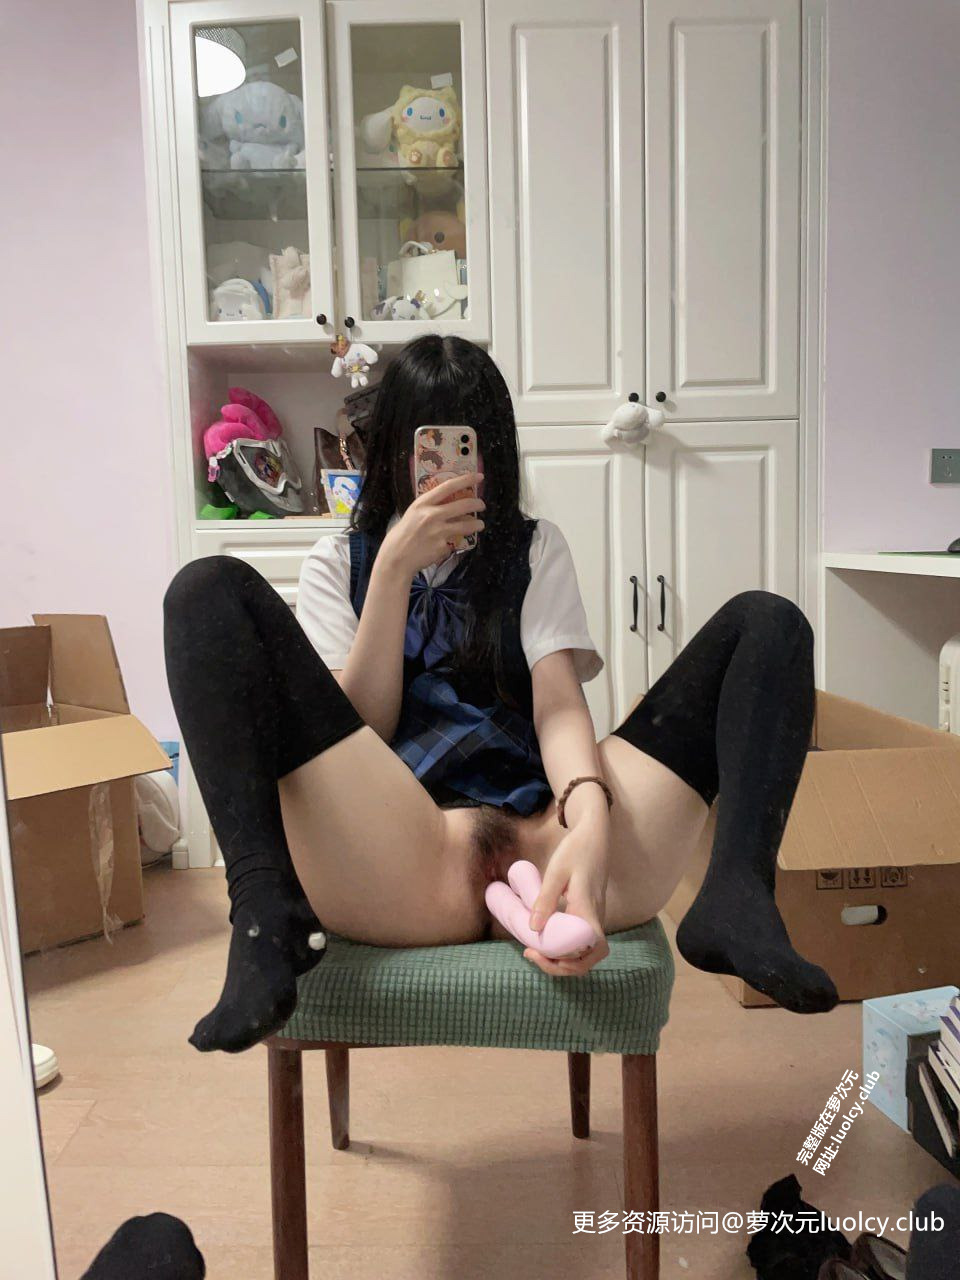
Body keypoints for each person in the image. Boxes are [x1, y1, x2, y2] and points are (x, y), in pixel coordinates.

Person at [164, 335, 837, 1056]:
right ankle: (263, 910)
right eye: (431, 444)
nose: (457, 467)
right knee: (206, 590)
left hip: (549, 843)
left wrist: (590, 825)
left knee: (769, 624)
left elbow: (557, 706)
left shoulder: (535, 547)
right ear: (393, 450)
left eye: (472, 446)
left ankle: (738, 894)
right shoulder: (339, 563)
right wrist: (391, 573)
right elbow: (363, 726)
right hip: (400, 856)